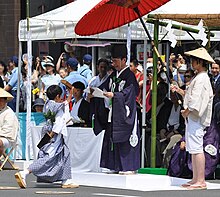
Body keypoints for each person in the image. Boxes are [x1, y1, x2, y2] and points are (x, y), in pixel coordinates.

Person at [15, 85, 79, 189]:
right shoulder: (58, 107)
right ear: (58, 96)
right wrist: (52, 135)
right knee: (47, 158)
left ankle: (66, 180)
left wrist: (70, 94)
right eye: (61, 96)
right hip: (53, 135)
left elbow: (64, 104)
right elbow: (59, 122)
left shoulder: (48, 104)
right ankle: (25, 172)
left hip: (48, 132)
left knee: (65, 154)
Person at [90, 44, 140, 174]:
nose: (114, 63)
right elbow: (103, 87)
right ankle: (115, 165)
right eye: (113, 61)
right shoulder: (113, 75)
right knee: (112, 136)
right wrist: (94, 92)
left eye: (116, 61)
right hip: (113, 112)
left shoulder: (129, 76)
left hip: (125, 112)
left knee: (124, 136)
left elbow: (132, 91)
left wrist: (116, 95)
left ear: (124, 60)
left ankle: (128, 166)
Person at [172, 47, 214, 190]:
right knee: (193, 148)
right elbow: (191, 96)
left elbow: (196, 100)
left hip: (195, 117)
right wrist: (180, 91)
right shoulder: (200, 77)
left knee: (197, 148)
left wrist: (187, 111)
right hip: (193, 118)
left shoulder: (202, 78)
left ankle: (200, 180)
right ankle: (196, 178)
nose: (191, 63)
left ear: (199, 62)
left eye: (193, 61)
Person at [0, 88, 19, 156]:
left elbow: (7, 131)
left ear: (5, 101)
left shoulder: (9, 113)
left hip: (7, 138)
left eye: (1, 100)